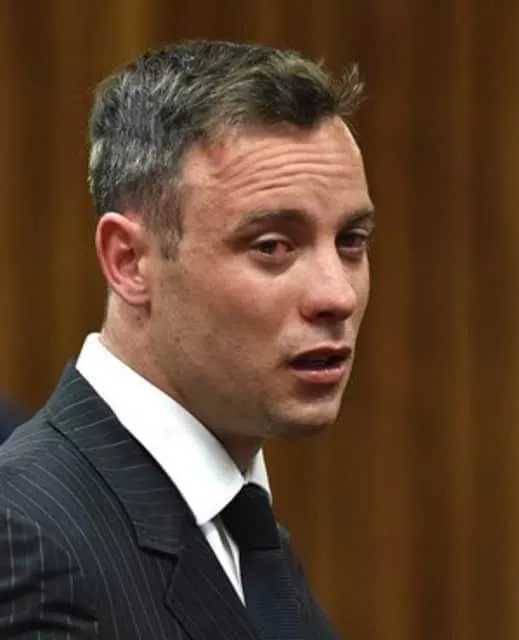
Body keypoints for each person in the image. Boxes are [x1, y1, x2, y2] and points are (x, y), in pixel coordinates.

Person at [0, 40, 375, 638]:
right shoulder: (27, 538)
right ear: (129, 262)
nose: (338, 294)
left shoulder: (246, 537)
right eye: (272, 246)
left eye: (351, 242)